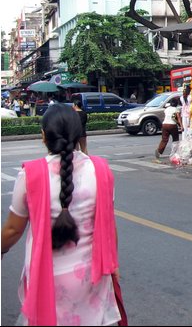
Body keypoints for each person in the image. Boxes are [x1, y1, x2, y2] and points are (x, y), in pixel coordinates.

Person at [1, 103, 121, 326]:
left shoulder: (31, 174)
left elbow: (12, 229)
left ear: (44, 136)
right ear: (78, 134)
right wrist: (113, 266)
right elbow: (108, 225)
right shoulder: (101, 170)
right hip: (90, 278)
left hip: (47, 279)